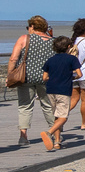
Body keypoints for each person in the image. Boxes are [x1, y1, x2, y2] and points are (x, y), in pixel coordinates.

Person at [9, 16, 55, 146]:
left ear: (33, 27)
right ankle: (54, 133)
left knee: (25, 106)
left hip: (26, 77)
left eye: (28, 27)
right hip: (46, 78)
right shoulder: (52, 41)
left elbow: (13, 59)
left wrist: (10, 74)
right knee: (48, 105)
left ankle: (23, 136)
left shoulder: (24, 39)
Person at [41, 36, 79, 151]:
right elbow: (79, 74)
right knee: (63, 117)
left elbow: (44, 77)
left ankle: (57, 142)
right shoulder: (72, 59)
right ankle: (49, 132)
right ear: (68, 47)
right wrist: (71, 77)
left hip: (51, 89)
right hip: (64, 89)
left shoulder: (50, 60)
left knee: (56, 116)